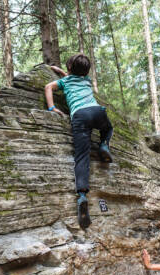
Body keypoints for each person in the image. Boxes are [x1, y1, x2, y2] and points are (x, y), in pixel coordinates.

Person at [45, 54, 113, 229]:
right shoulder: (87, 81)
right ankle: (104, 145)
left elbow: (48, 87)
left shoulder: (65, 82)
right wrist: (62, 71)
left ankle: (82, 195)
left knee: (81, 157)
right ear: (86, 71)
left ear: (68, 69)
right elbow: (73, 76)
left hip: (80, 116)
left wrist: (52, 107)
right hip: (97, 112)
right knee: (108, 128)